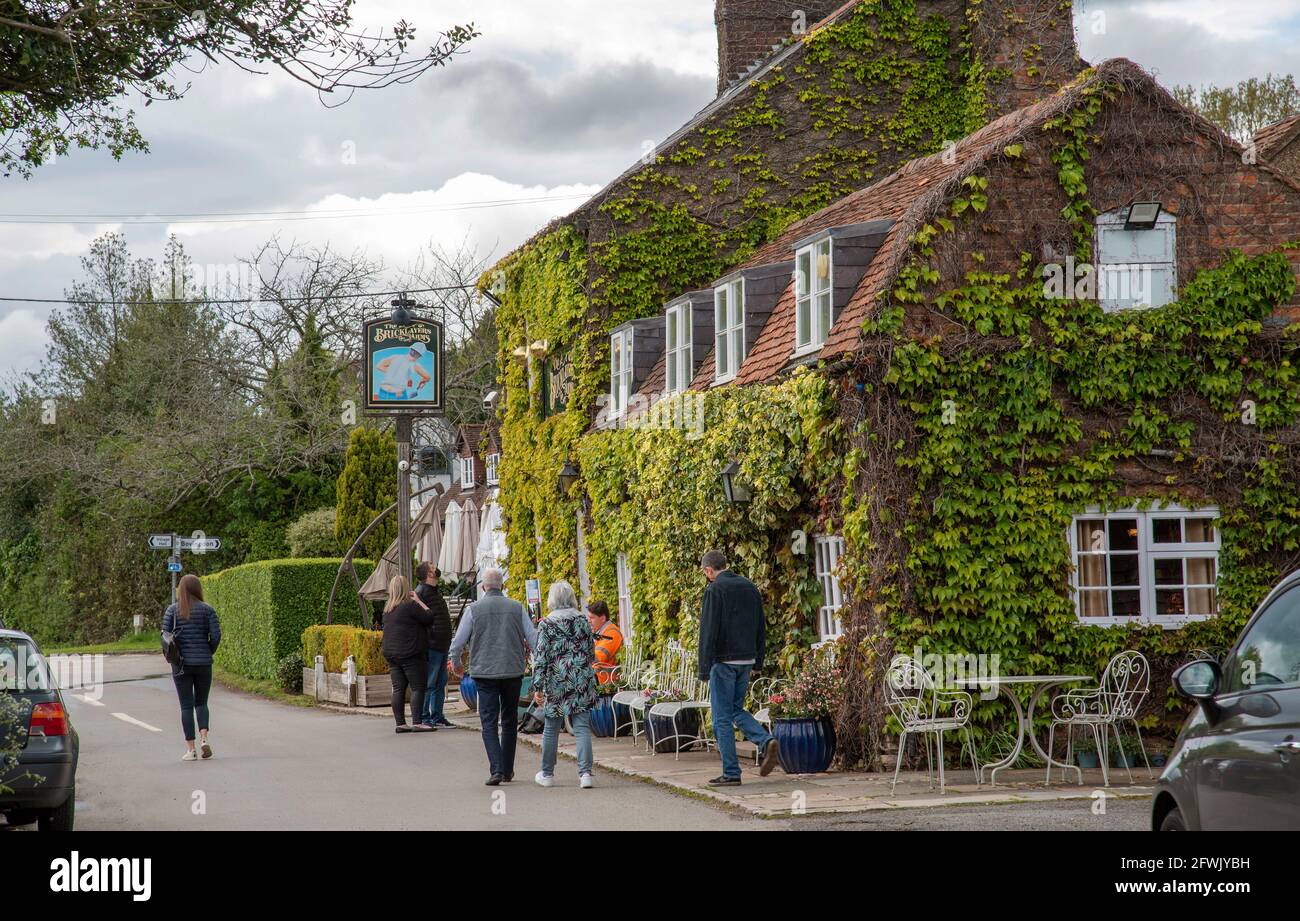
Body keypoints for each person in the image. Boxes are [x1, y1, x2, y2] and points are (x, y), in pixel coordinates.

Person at [448, 568, 537, 785]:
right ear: (503, 586)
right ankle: (507, 770)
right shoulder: (517, 608)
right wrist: (539, 667)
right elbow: (534, 639)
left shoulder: (473, 610)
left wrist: (457, 666)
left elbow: (457, 643)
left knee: (488, 721)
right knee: (508, 720)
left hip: (484, 672)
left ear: (483, 587)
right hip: (512, 671)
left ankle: (496, 769)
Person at [697, 549, 779, 785]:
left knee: (721, 718)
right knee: (734, 710)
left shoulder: (714, 589)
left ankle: (731, 773)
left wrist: (704, 669)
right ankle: (765, 741)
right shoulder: (749, 586)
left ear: (709, 570)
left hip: (723, 661)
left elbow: (708, 632)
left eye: (706, 573)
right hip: (747, 660)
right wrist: (758, 661)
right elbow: (760, 626)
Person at [533, 581, 598, 789]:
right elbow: (590, 651)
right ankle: (585, 774)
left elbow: (541, 656)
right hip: (581, 676)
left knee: (551, 727)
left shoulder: (546, 624)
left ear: (552, 599)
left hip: (557, 679)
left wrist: (537, 686)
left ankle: (547, 774)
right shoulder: (582, 620)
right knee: (581, 727)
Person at [162, 574, 222, 762]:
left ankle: (191, 749)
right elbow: (216, 635)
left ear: (180, 590)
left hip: (181, 665)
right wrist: (208, 651)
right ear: (198, 589)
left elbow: (165, 637)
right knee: (202, 703)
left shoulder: (172, 611)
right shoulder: (208, 610)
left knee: (186, 706)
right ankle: (204, 738)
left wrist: (173, 657)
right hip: (204, 663)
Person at [380, 575, 437, 734]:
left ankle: (400, 723)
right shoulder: (410, 605)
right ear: (406, 589)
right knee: (418, 687)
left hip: (391, 653)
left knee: (398, 688)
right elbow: (429, 617)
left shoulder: (388, 609)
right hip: (410, 653)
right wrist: (419, 600)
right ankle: (417, 722)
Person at [414, 562, 453, 728]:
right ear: (429, 573)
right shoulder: (421, 592)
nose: (435, 568)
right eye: (432, 567)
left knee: (440, 682)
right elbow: (419, 619)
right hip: (432, 644)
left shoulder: (432, 591)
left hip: (441, 643)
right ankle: (425, 717)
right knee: (430, 683)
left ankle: (437, 716)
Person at [586, 600, 623, 686]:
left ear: (602, 618)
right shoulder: (602, 632)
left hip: (606, 685)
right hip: (600, 682)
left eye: (592, 618)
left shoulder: (612, 633)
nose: (589, 621)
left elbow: (597, 659)